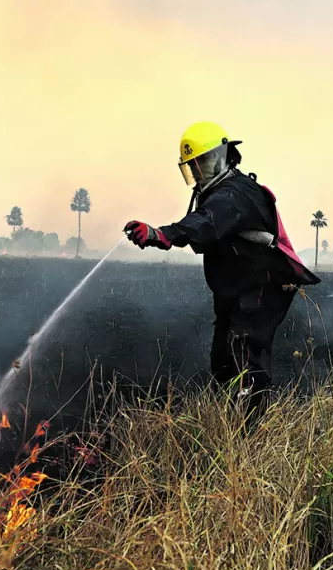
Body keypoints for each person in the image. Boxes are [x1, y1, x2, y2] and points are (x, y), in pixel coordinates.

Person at [123, 121, 319, 419]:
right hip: (236, 291)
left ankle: (250, 434)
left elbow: (206, 222)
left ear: (225, 156)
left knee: (247, 361)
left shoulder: (235, 194)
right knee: (223, 362)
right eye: (194, 167)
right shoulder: (219, 194)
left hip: (260, 290)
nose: (200, 173)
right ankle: (233, 422)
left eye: (205, 162)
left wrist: (159, 234)